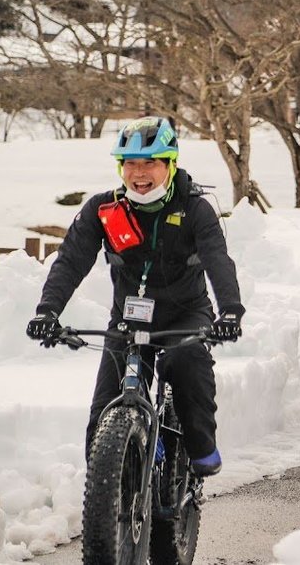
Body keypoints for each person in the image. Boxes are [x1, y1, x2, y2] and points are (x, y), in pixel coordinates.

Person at [25, 117, 244, 477]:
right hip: (128, 321)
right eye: (130, 163)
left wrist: (231, 312)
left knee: (186, 361)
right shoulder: (104, 209)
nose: (139, 173)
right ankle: (110, 499)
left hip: (185, 317)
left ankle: (200, 447)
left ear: (170, 163)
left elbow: (218, 260)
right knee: (103, 413)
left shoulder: (194, 209)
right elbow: (71, 260)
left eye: (150, 163)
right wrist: (47, 311)